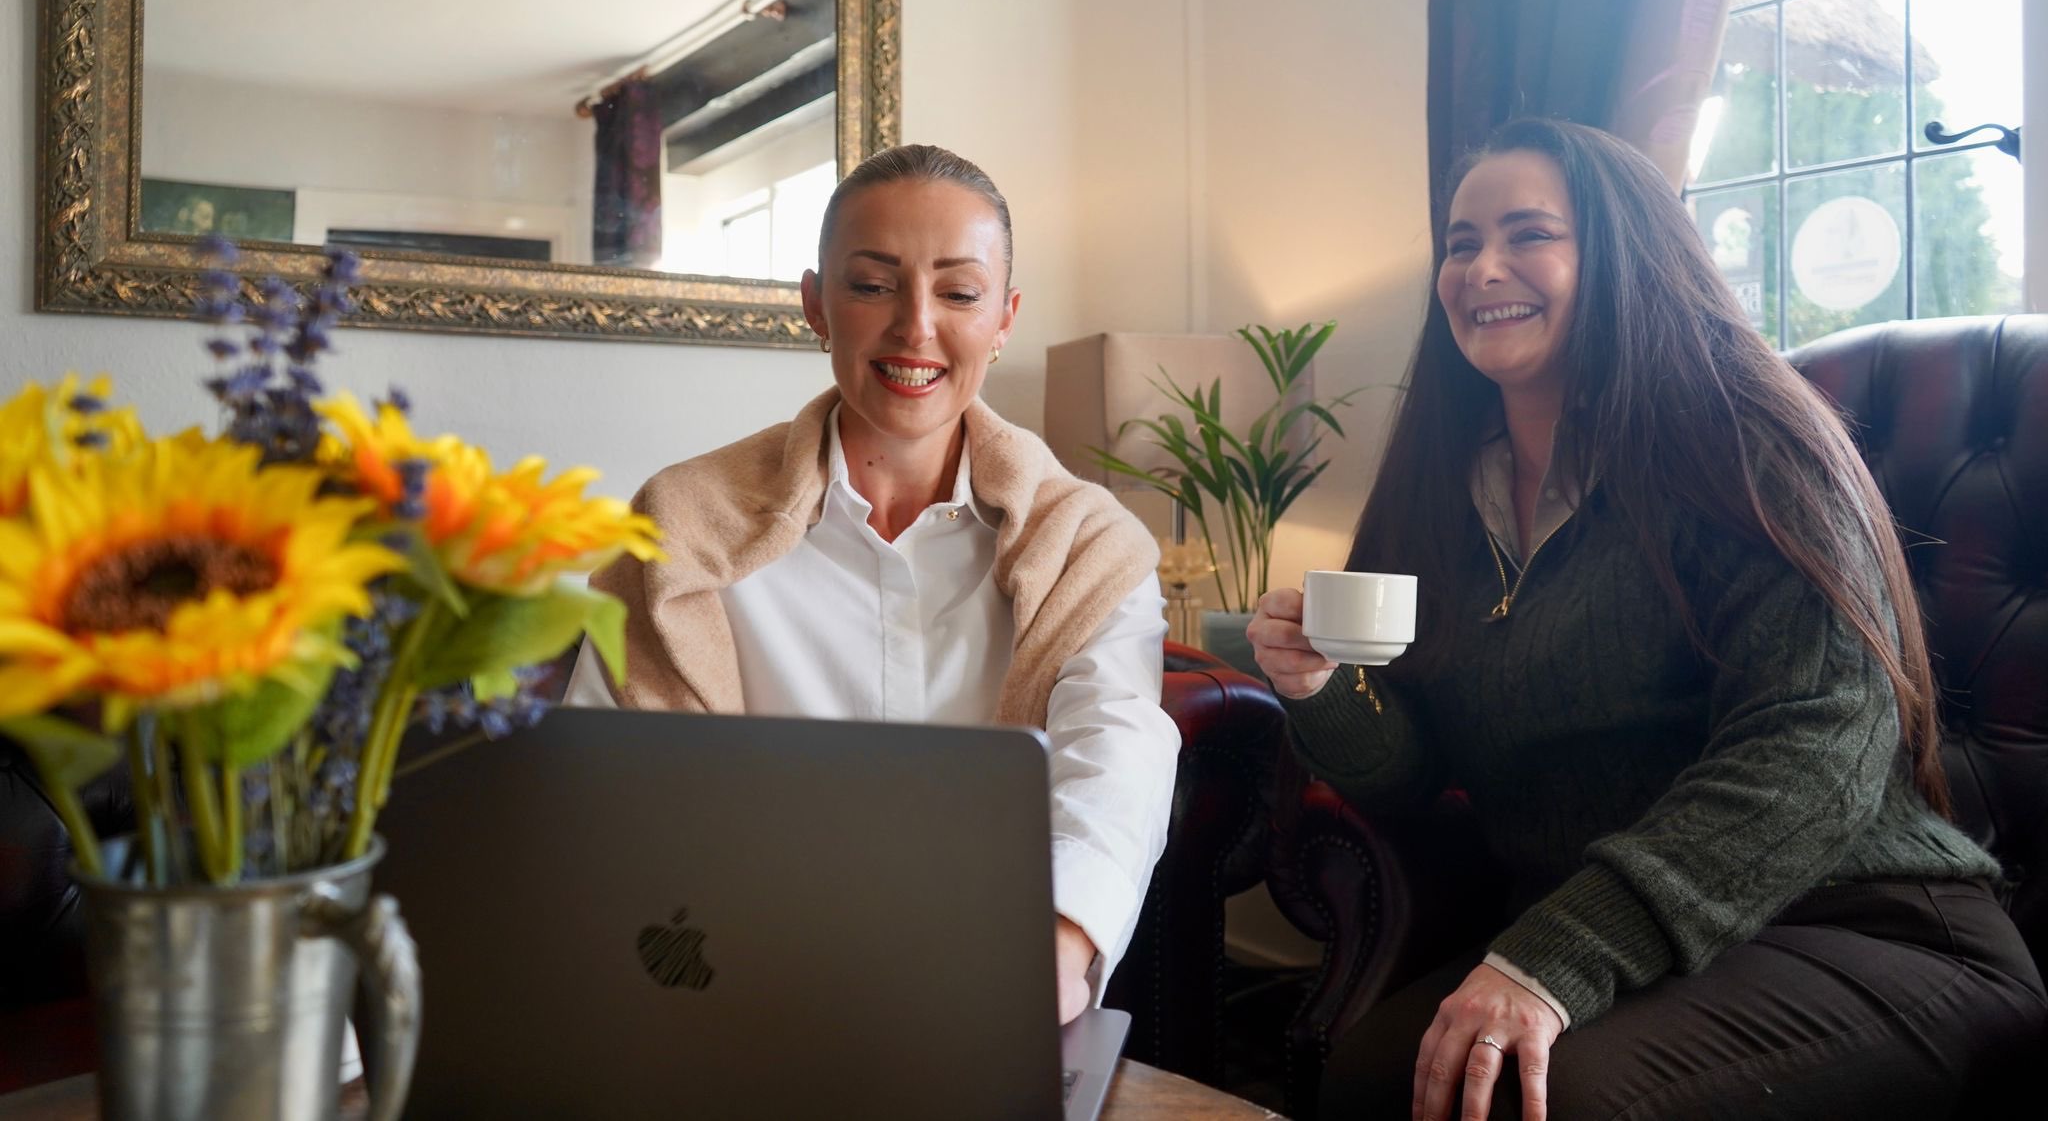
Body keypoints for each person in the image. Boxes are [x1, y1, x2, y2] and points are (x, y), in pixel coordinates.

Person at [1248, 118, 2045, 1119]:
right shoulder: (1444, 490)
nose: (1480, 265)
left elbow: (1813, 746)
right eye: (1459, 242)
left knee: (1543, 1100)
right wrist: (1321, 687)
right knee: (1369, 1079)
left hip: (1859, 924)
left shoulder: (1748, 445)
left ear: (1622, 253)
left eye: (1527, 232)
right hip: (1639, 945)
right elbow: (1415, 772)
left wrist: (1553, 957)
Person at [565, 144, 1180, 1024]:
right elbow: (601, 790)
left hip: (987, 993)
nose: (915, 328)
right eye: (873, 285)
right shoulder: (678, 529)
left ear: (1004, 318)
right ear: (816, 304)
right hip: (727, 998)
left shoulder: (1088, 543)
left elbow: (1116, 751)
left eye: (958, 294)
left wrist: (1058, 940)